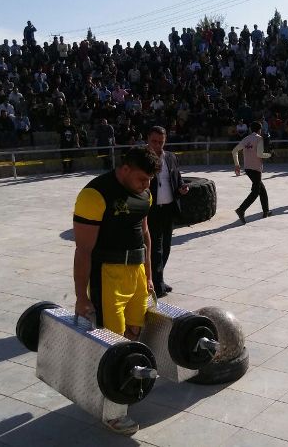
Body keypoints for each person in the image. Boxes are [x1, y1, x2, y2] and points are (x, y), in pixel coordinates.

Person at [72, 146, 159, 436]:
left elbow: (145, 233)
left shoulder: (145, 192)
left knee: (134, 334)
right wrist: (81, 297)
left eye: (150, 180)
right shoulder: (94, 195)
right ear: (124, 168)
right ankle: (112, 411)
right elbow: (83, 250)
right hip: (107, 276)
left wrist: (148, 276)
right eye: (142, 179)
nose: (147, 185)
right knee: (113, 343)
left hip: (136, 274)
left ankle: (121, 388)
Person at [146, 126, 188, 297]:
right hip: (151, 209)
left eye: (161, 142)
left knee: (166, 246)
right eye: (154, 141)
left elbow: (176, 179)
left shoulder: (170, 157)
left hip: (169, 208)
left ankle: (159, 279)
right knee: (155, 247)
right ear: (147, 139)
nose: (157, 145)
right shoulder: (141, 158)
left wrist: (181, 188)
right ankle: (155, 283)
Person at [232, 121, 272, 223]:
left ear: (250, 129)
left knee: (261, 189)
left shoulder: (246, 139)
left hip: (248, 168)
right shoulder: (259, 139)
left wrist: (237, 164)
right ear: (260, 130)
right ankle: (241, 210)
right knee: (255, 192)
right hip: (256, 168)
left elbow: (234, 151)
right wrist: (270, 155)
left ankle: (266, 211)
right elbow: (260, 154)